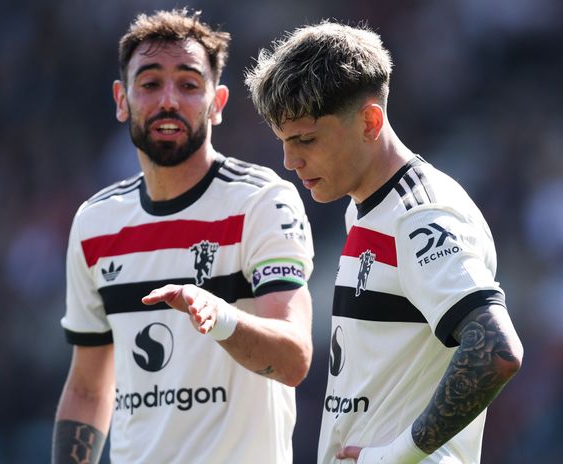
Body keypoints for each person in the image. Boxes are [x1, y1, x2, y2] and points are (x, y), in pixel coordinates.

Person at [245, 21, 523, 463]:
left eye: (306, 140)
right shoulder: (365, 207)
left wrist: (397, 454)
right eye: (283, 142)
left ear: (370, 121)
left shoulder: (420, 216)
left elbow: (496, 348)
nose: (289, 161)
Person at [52, 9, 314, 464]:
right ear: (122, 99)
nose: (168, 100)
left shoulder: (262, 202)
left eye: (189, 84)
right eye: (150, 83)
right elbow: (86, 386)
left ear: (217, 103)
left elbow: (294, 358)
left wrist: (222, 317)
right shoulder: (95, 224)